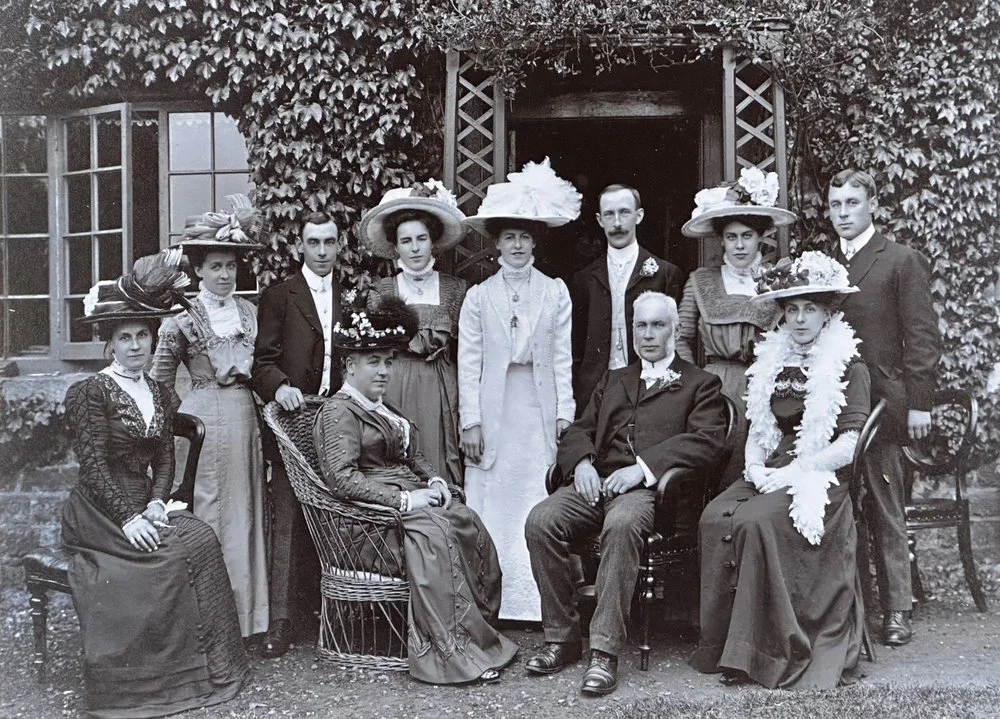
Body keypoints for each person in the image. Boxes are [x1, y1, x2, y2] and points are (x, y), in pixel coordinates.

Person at [63, 251, 249, 718]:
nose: (134, 346)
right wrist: (127, 518)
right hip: (99, 507)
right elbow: (93, 467)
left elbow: (165, 457)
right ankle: (145, 684)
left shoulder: (162, 392)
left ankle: (210, 670)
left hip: (144, 500)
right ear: (109, 344)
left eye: (142, 335)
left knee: (201, 537)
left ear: (152, 339)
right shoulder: (89, 393)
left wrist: (156, 504)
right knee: (164, 556)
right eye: (124, 338)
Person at [524, 291, 726, 696]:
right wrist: (581, 463)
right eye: (640, 326)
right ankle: (561, 638)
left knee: (621, 523)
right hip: (596, 484)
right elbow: (580, 428)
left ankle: (603, 651)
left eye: (657, 325)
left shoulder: (700, 383)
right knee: (541, 520)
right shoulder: (615, 379)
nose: (648, 335)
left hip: (650, 495)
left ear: (675, 329)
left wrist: (643, 469)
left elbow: (707, 442)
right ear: (631, 329)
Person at [313, 296, 519, 684]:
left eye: (389, 362)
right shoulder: (339, 411)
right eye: (373, 361)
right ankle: (451, 652)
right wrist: (405, 500)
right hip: (366, 525)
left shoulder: (380, 407)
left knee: (463, 517)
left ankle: (478, 639)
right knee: (435, 532)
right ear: (349, 364)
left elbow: (411, 456)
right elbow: (341, 478)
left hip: (395, 509)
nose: (384, 371)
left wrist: (434, 480)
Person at [691, 251, 871, 689]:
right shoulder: (774, 360)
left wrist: (796, 473)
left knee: (753, 522)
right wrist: (754, 465)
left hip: (822, 476)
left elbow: (849, 445)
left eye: (811, 309)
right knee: (715, 516)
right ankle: (726, 649)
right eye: (792, 310)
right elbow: (760, 425)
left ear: (828, 313)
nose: (801, 319)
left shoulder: (849, 365)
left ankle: (763, 653)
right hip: (774, 465)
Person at [458, 158, 579, 622]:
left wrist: (563, 413)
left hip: (538, 405)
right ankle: (494, 604)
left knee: (534, 494)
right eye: (509, 237)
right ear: (497, 243)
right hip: (495, 406)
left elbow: (562, 357)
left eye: (525, 237)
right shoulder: (478, 296)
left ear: (535, 243)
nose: (517, 246)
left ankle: (537, 605)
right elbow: (469, 361)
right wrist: (472, 420)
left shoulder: (555, 292)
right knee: (493, 497)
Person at [827, 169, 941, 646]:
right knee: (838, 509)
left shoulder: (900, 260)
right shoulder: (823, 263)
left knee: (885, 505)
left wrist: (919, 404)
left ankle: (898, 609)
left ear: (872, 204)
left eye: (853, 203)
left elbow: (922, 336)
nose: (843, 213)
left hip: (882, 407)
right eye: (835, 204)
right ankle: (851, 605)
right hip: (833, 406)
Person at [150, 197, 268, 638]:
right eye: (215, 266)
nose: (224, 275)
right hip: (200, 423)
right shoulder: (182, 321)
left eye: (230, 267)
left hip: (244, 419)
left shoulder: (249, 314)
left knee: (245, 513)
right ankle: (208, 622)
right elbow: (160, 385)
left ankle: (248, 620)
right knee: (209, 511)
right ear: (198, 270)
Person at [251, 210, 342, 657]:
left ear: (339, 245)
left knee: (338, 510)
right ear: (300, 246)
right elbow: (262, 362)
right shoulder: (280, 295)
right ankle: (281, 622)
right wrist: (281, 387)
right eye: (314, 243)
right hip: (293, 421)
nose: (322, 251)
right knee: (287, 514)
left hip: (337, 420)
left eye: (329, 242)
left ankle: (335, 613)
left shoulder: (351, 296)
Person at [677, 168, 794, 487]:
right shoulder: (701, 280)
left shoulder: (779, 281)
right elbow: (680, 338)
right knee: (714, 468)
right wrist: (695, 385)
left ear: (760, 238)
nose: (739, 245)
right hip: (713, 387)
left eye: (747, 236)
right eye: (731, 237)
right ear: (722, 241)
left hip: (765, 385)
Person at [359, 180, 468, 486]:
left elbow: (467, 353)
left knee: (438, 464)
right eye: (406, 241)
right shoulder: (382, 291)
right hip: (395, 388)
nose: (415, 248)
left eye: (421, 238)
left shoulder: (455, 289)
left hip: (441, 388)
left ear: (433, 241)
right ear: (395, 247)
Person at [571, 183, 685, 412]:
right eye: (609, 214)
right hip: (595, 391)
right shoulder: (584, 279)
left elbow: (676, 340)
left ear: (639, 215)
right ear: (599, 220)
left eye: (624, 212)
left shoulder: (665, 274)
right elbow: (576, 345)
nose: (617, 223)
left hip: (651, 388)